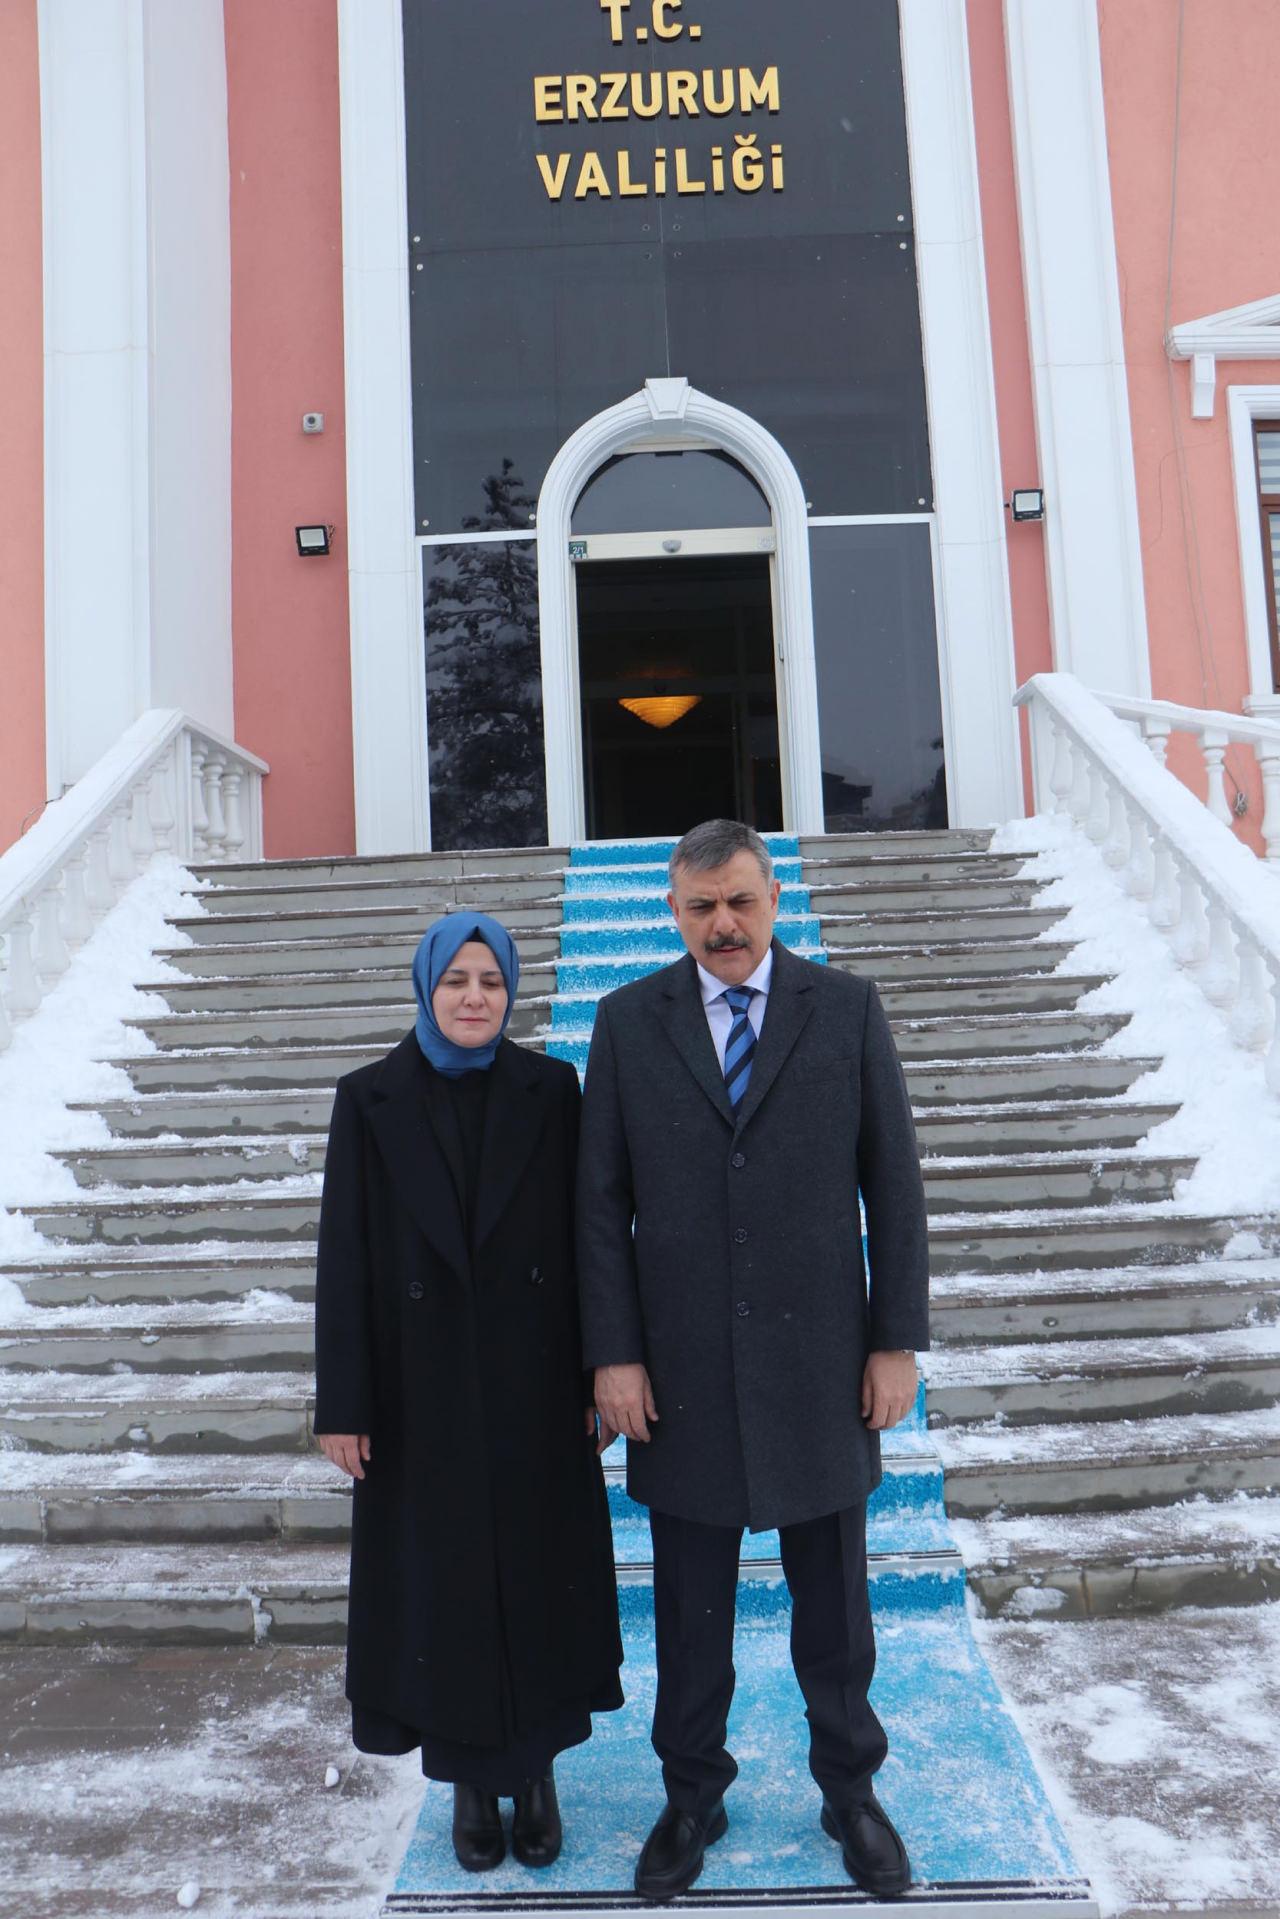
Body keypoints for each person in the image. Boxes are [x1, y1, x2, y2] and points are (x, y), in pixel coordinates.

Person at [577, 819, 929, 1901]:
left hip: (822, 1364)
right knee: (691, 1617)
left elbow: (893, 1182)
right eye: (701, 906)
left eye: (739, 900)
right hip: (680, 1372)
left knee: (836, 1612)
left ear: (773, 897)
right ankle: (691, 1793)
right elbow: (597, 1204)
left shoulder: (847, 1008)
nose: (722, 924)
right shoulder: (627, 1020)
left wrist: (894, 1339)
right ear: (672, 910)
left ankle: (849, 1789)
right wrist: (614, 1356)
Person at [314, 910, 623, 1873]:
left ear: (511, 990)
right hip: (419, 1394)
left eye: (491, 980)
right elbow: (345, 1257)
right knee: (442, 1590)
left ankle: (537, 1774)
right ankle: (470, 1785)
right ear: (427, 987)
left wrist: (597, 1368)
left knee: (537, 1581)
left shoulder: (552, 1089)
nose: (475, 997)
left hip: (536, 1387)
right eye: (457, 980)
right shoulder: (368, 1098)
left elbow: (587, 1241)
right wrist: (344, 1402)